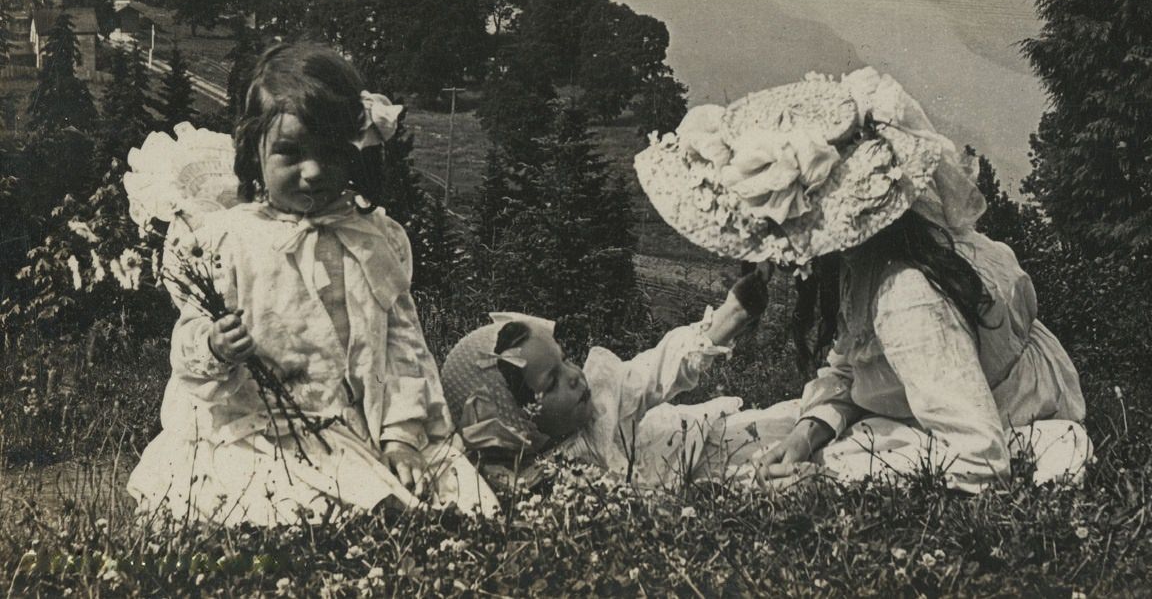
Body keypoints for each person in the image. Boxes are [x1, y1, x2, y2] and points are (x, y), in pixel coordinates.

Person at [633, 67, 1091, 493]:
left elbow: (982, 458)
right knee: (767, 437)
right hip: (944, 391)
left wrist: (828, 479)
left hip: (998, 413)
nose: (779, 257)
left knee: (786, 462)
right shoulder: (870, 261)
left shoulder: (908, 301)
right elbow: (854, 366)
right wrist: (806, 435)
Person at [125, 42, 497, 524]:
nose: (314, 170)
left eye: (329, 151)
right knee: (272, 505)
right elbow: (189, 338)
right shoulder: (226, 240)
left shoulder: (372, 239)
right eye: (290, 152)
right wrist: (214, 346)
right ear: (254, 150)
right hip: (255, 425)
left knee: (433, 501)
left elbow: (403, 345)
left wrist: (402, 435)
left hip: (350, 421)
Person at [439, 267, 771, 488]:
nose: (574, 376)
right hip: (676, 484)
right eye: (551, 382)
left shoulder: (601, 404)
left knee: (770, 443)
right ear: (513, 423)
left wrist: (731, 316)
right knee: (761, 481)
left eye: (566, 360)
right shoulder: (525, 483)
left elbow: (653, 371)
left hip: (681, 440)